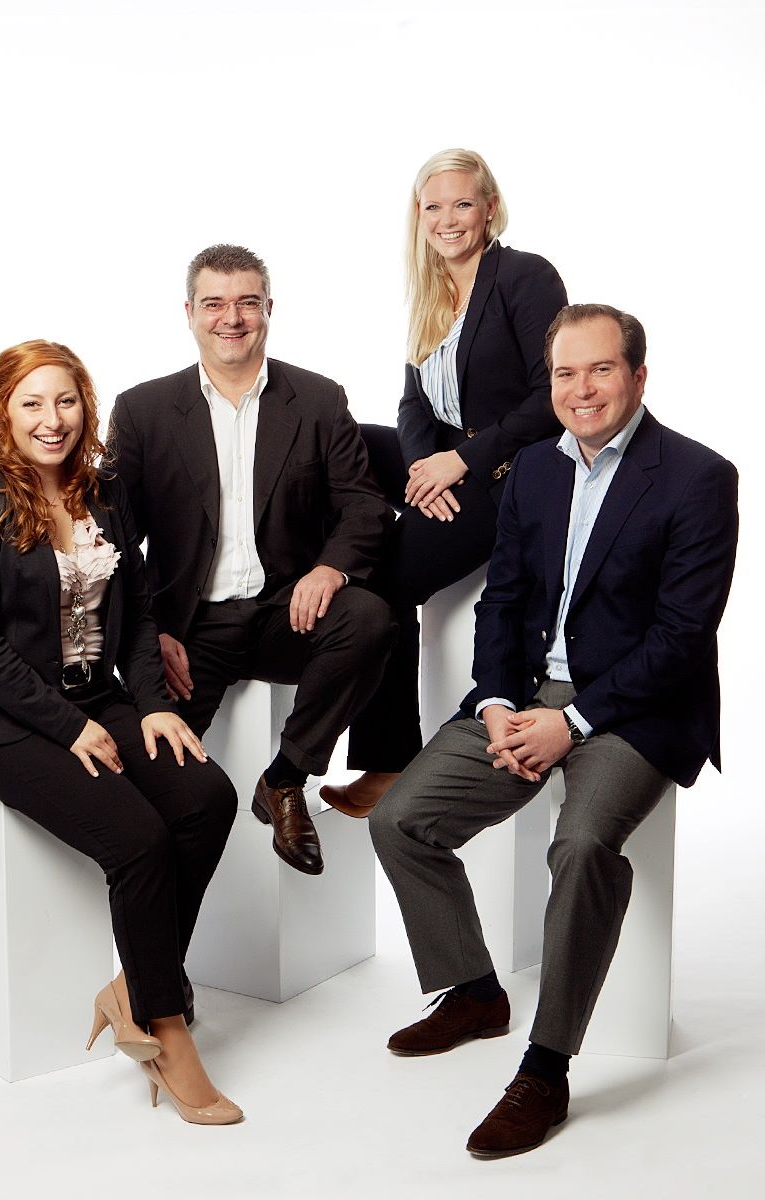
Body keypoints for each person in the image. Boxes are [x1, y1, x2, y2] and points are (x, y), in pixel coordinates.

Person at [369, 305, 738, 1158]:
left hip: (636, 707)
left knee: (579, 847)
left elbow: (682, 638)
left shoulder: (697, 476)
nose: (582, 390)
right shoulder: (534, 466)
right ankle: (474, 991)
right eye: (566, 374)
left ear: (638, 376)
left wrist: (570, 723)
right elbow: (503, 601)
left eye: (601, 370)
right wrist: (498, 702)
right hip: (528, 692)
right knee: (400, 820)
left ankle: (545, 1067)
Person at [0, 340, 242, 1126]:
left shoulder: (103, 492)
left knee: (207, 798)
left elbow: (135, 614)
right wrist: (68, 726)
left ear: (85, 407)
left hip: (98, 700)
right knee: (138, 840)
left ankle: (135, 987)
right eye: (32, 403)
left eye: (66, 400)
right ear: (0, 411)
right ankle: (164, 1030)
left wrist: (152, 706)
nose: (53, 419)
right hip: (2, 723)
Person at [108, 243, 395, 877]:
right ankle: (155, 926)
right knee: (158, 781)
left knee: (370, 618)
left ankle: (286, 778)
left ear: (269, 309)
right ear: (189, 313)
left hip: (285, 613)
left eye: (247, 302)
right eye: (214, 303)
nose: (231, 318)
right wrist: (150, 631)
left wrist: (329, 568)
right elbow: (115, 539)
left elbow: (363, 506)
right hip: (190, 631)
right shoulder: (142, 411)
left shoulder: (318, 399)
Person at [320, 148, 568, 818]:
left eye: (463, 204)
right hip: (449, 461)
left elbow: (551, 399)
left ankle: (388, 763)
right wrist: (420, 470)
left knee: (380, 582)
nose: (448, 219)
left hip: (513, 471)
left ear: (490, 208)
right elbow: (413, 405)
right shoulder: (430, 293)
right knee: (336, 439)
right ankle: (297, 569)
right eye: (434, 206)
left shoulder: (525, 277)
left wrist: (460, 463)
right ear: (418, 214)